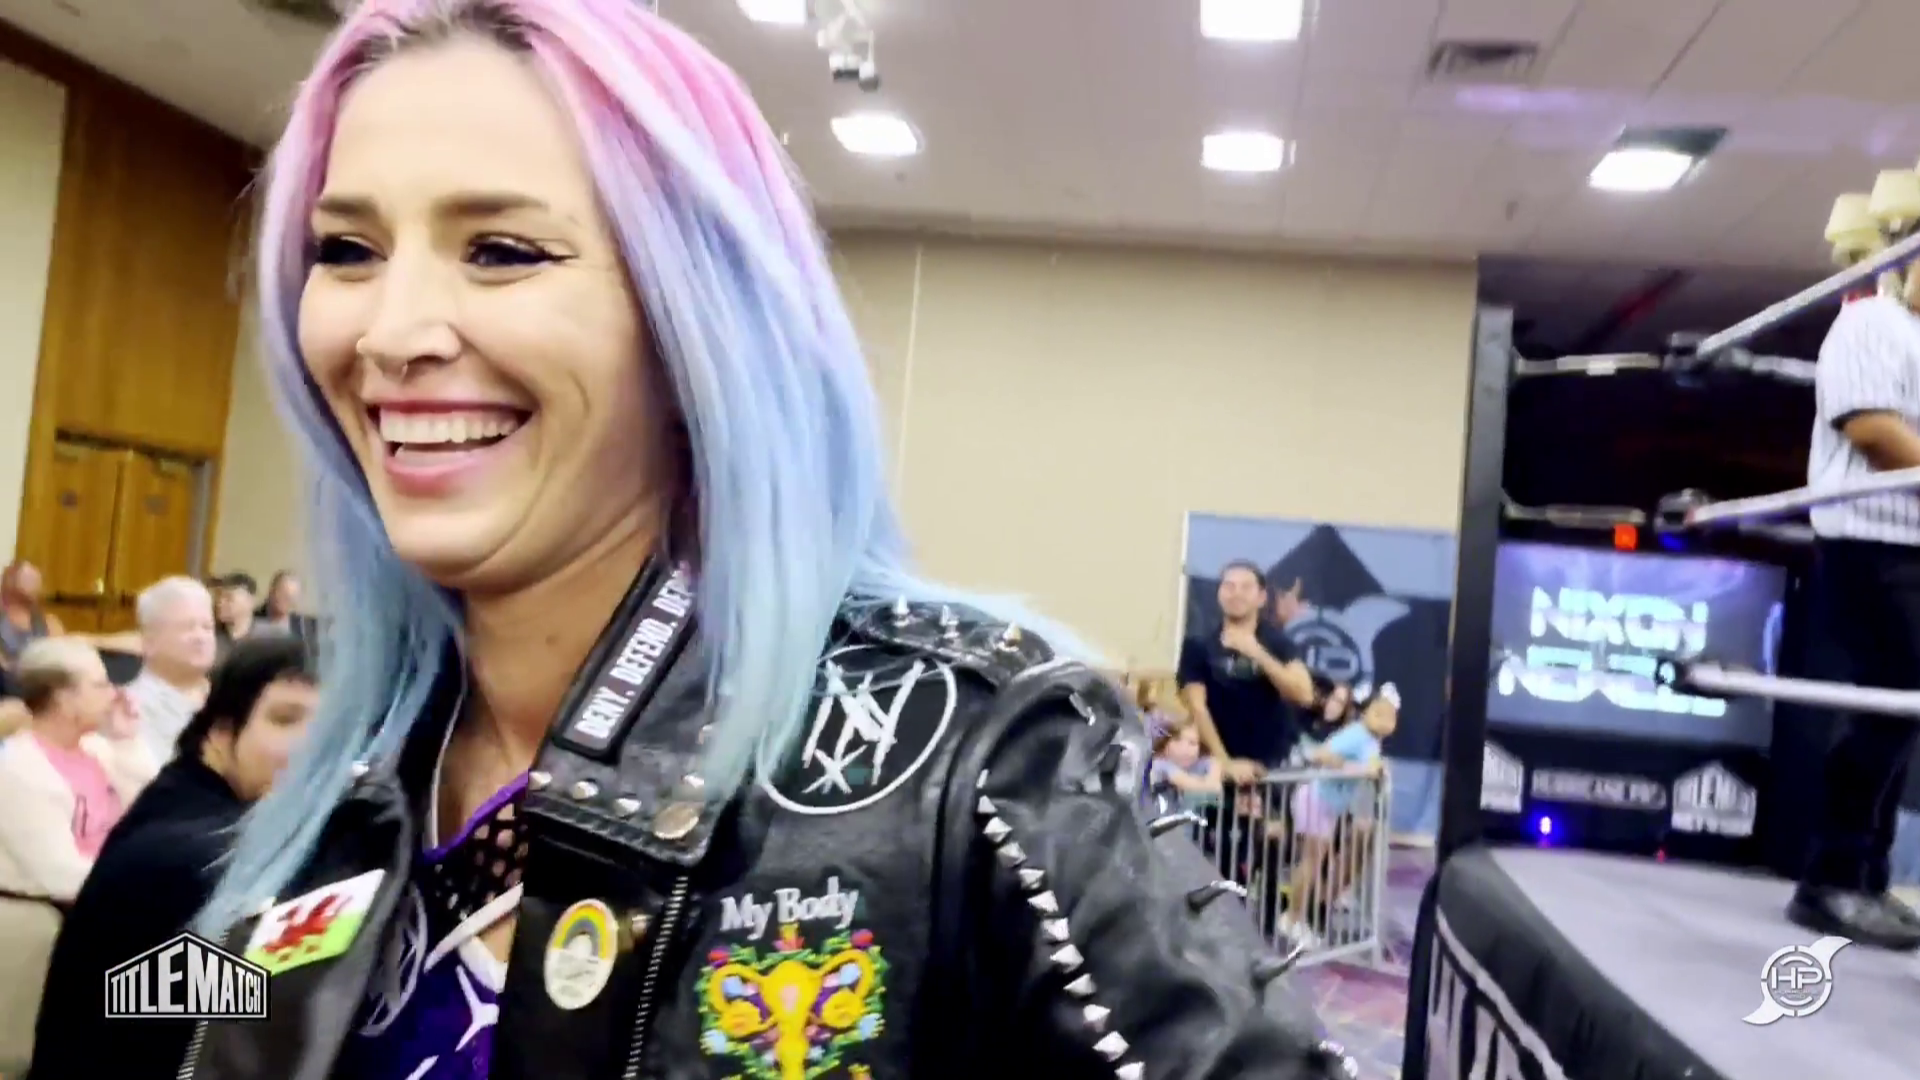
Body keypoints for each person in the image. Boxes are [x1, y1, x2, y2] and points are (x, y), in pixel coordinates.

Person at [182, 4, 1352, 1080]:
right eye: (348, 250)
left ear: (694, 316)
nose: (391, 333)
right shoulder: (352, 780)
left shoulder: (985, 759)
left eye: (501, 250)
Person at [30, 636, 318, 1079]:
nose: (313, 745)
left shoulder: (183, 800)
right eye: (285, 719)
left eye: (332, 726)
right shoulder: (200, 857)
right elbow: (265, 1020)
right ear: (222, 730)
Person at [1791, 251, 1920, 951]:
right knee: (1887, 702)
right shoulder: (1872, 322)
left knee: (1902, 709)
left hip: (1909, 546)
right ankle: (1830, 878)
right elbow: (1871, 428)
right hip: (1869, 542)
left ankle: (1865, 874)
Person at [0, 638, 154, 903]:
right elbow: (60, 876)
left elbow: (156, 810)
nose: (115, 694)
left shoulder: (98, 748)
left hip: (115, 888)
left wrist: (125, 740)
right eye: (100, 686)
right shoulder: (18, 770)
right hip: (64, 906)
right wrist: (146, 881)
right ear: (64, 699)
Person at [1178, 560, 1318, 783]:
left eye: (1245, 587)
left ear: (1261, 597)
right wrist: (1225, 762)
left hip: (1273, 769)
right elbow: (1197, 706)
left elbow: (1304, 694)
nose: (1236, 594)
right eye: (1229, 586)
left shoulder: (1278, 643)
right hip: (1219, 770)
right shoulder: (1199, 645)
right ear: (1219, 594)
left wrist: (1257, 653)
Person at [1283, 684, 1397, 950]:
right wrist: (1354, 768)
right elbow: (1320, 754)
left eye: (1390, 716)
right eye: (1378, 713)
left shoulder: (1371, 741)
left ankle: (1299, 918)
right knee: (1310, 862)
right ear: (1365, 712)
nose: (1384, 721)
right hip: (1316, 799)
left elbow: (1370, 767)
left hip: (1329, 806)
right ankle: (1291, 919)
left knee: (1314, 862)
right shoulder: (1355, 734)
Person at [123, 576, 218, 765]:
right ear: (148, 642)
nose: (201, 637)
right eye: (187, 628)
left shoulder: (230, 698)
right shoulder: (129, 710)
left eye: (207, 627)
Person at [0, 561, 62, 675]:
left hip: (41, 678)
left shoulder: (49, 622)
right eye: (29, 579)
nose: (36, 584)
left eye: (36, 580)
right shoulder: (3, 621)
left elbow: (61, 658)